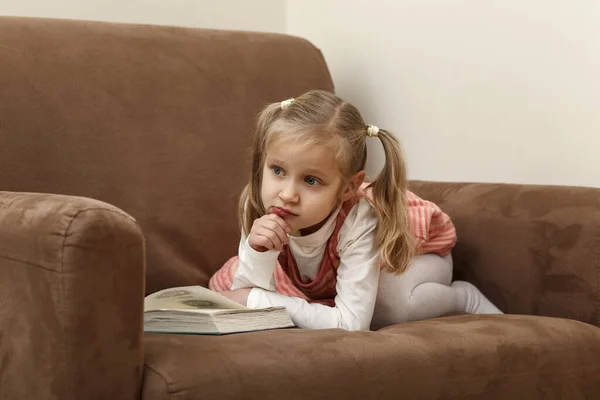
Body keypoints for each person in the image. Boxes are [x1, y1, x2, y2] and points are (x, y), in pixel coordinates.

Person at [209, 90, 502, 330]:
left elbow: (351, 324)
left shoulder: (359, 220)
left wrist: (259, 300)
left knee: (388, 304)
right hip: (336, 270)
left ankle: (463, 297)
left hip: (415, 255)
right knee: (223, 282)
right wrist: (260, 253)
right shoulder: (259, 203)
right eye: (277, 170)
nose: (287, 194)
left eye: (311, 180)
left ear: (348, 187)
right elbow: (242, 297)